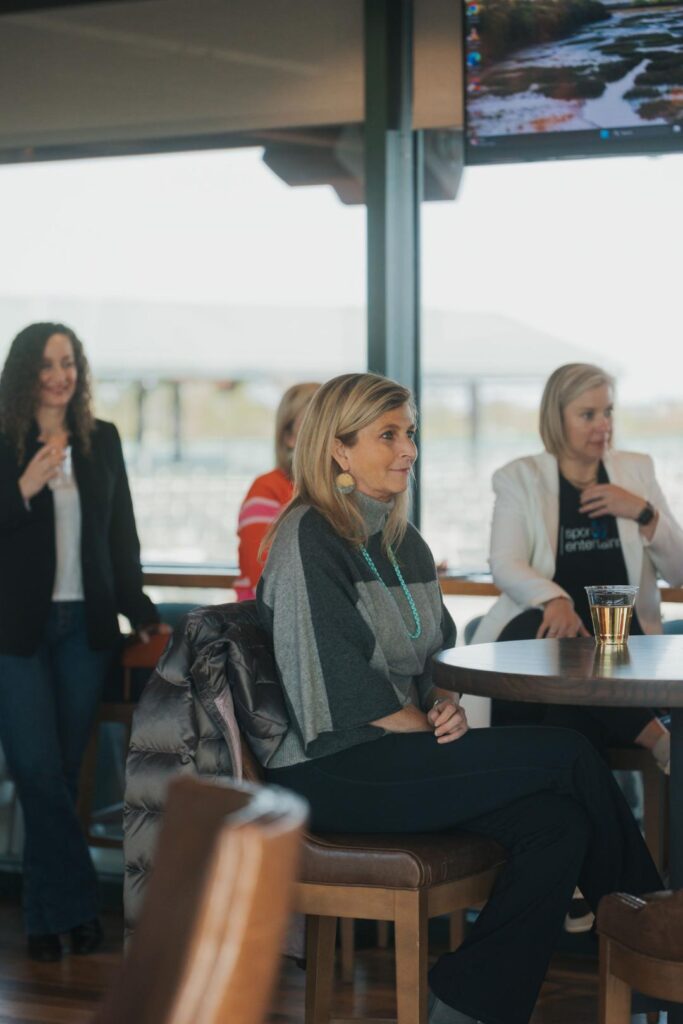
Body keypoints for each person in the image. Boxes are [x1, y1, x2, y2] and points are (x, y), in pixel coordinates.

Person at [256, 371, 662, 1024]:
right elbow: (340, 694)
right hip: (329, 763)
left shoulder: (401, 541)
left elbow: (434, 658)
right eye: (388, 435)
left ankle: (465, 1004)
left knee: (558, 826)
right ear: (338, 449)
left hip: (393, 748)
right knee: (565, 753)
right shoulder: (309, 537)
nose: (408, 450)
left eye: (410, 433)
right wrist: (424, 721)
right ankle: (659, 945)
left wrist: (440, 704)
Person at [0, 322, 163, 963]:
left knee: (65, 774)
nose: (59, 375)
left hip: (85, 631)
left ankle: (45, 921)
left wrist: (140, 609)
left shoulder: (103, 440)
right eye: (46, 364)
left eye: (68, 362)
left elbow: (120, 536)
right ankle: (76, 907)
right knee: (37, 773)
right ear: (25, 372)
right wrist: (22, 489)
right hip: (16, 631)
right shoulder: (5, 441)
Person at [472, 362, 683, 773]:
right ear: (557, 419)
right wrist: (555, 600)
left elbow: (678, 571)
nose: (604, 425)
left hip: (627, 654)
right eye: (588, 415)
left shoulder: (636, 471)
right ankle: (659, 739)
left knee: (567, 720)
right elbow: (505, 563)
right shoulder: (520, 478)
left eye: (608, 412)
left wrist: (642, 512)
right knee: (566, 702)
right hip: (552, 643)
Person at [234, 381, 319, 601]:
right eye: (312, 426)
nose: (323, 436)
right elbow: (266, 583)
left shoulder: (346, 492)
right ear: (289, 438)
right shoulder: (267, 489)